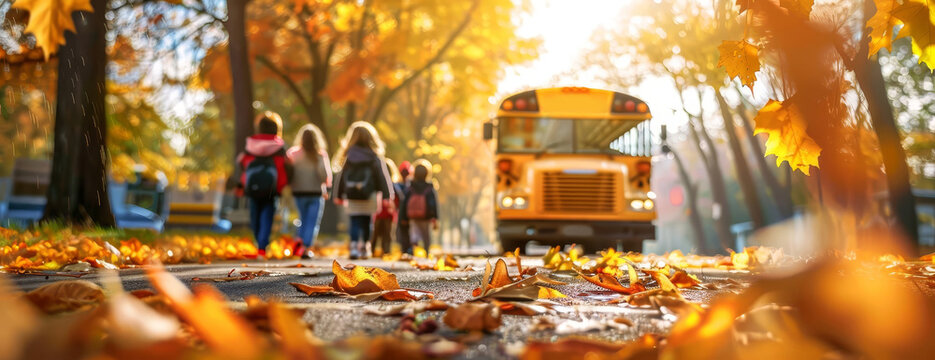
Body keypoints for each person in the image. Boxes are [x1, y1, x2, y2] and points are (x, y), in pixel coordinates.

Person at [332, 121, 393, 260]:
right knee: (367, 221)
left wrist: (338, 194)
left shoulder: (349, 156)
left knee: (354, 221)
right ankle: (365, 247)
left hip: (352, 194)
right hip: (369, 194)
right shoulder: (374, 157)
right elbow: (382, 177)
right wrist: (386, 196)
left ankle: (354, 247)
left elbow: (341, 177)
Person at [237, 111, 292, 258]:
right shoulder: (279, 147)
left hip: (253, 187)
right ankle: (262, 246)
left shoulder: (250, 145)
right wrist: (285, 184)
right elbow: (287, 166)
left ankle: (258, 241)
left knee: (254, 215)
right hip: (272, 189)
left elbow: (242, 162)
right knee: (267, 216)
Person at [287, 123, 332, 259]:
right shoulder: (319, 155)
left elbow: (289, 172)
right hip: (315, 192)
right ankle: (306, 248)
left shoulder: (293, 154)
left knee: (302, 218)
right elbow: (324, 175)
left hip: (298, 192)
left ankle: (298, 241)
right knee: (311, 221)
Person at [399, 160, 439, 252]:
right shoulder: (430, 187)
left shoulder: (410, 186)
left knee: (414, 231)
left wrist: (403, 217)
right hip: (426, 216)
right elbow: (433, 204)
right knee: (426, 234)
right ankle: (427, 250)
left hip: (413, 215)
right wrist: (434, 217)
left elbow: (405, 202)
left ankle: (413, 245)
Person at [372, 159, 401, 257]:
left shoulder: (378, 185)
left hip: (378, 213)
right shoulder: (393, 186)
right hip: (389, 214)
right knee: (387, 234)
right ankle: (386, 251)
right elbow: (399, 200)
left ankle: (372, 250)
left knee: (375, 234)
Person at [395, 161, 413, 255]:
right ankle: (410, 248)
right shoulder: (412, 185)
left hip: (401, 212)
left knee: (403, 231)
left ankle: (405, 249)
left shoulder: (397, 185)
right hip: (412, 212)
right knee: (410, 231)